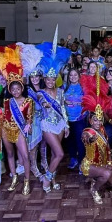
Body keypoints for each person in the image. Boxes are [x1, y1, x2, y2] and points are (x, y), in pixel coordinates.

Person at [35, 38, 71, 192]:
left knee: (55, 154)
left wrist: (67, 125)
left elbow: (62, 108)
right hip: (48, 124)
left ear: (55, 79)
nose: (50, 81)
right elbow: (42, 102)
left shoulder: (61, 92)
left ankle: (53, 179)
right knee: (60, 154)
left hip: (60, 124)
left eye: (52, 79)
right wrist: (46, 104)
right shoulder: (41, 92)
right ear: (45, 80)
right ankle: (47, 179)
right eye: (48, 79)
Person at [80, 73, 112, 204]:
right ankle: (94, 189)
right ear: (90, 121)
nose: (98, 122)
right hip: (89, 166)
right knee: (107, 174)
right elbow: (86, 139)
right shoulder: (87, 132)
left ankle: (97, 178)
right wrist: (89, 139)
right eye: (95, 120)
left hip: (103, 164)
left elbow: (107, 148)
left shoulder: (103, 129)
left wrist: (109, 163)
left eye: (100, 119)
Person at [63, 69, 86, 170]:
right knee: (70, 140)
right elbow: (60, 100)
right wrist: (65, 101)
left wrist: (77, 103)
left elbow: (88, 101)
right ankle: (73, 158)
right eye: (71, 75)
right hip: (67, 118)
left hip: (79, 118)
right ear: (68, 77)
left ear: (79, 76)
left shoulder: (83, 87)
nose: (73, 77)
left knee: (80, 140)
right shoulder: (64, 87)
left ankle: (81, 162)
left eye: (75, 75)